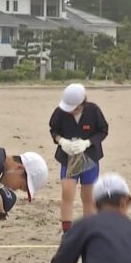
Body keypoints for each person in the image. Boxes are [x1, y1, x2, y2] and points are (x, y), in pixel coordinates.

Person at [49, 83, 109, 234]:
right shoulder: (60, 112)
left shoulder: (93, 111)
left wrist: (87, 143)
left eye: (75, 107)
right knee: (67, 191)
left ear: (83, 103)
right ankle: (67, 231)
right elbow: (54, 130)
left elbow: (103, 131)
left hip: (89, 157)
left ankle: (90, 229)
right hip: (69, 157)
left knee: (88, 195)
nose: (72, 111)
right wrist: (62, 142)